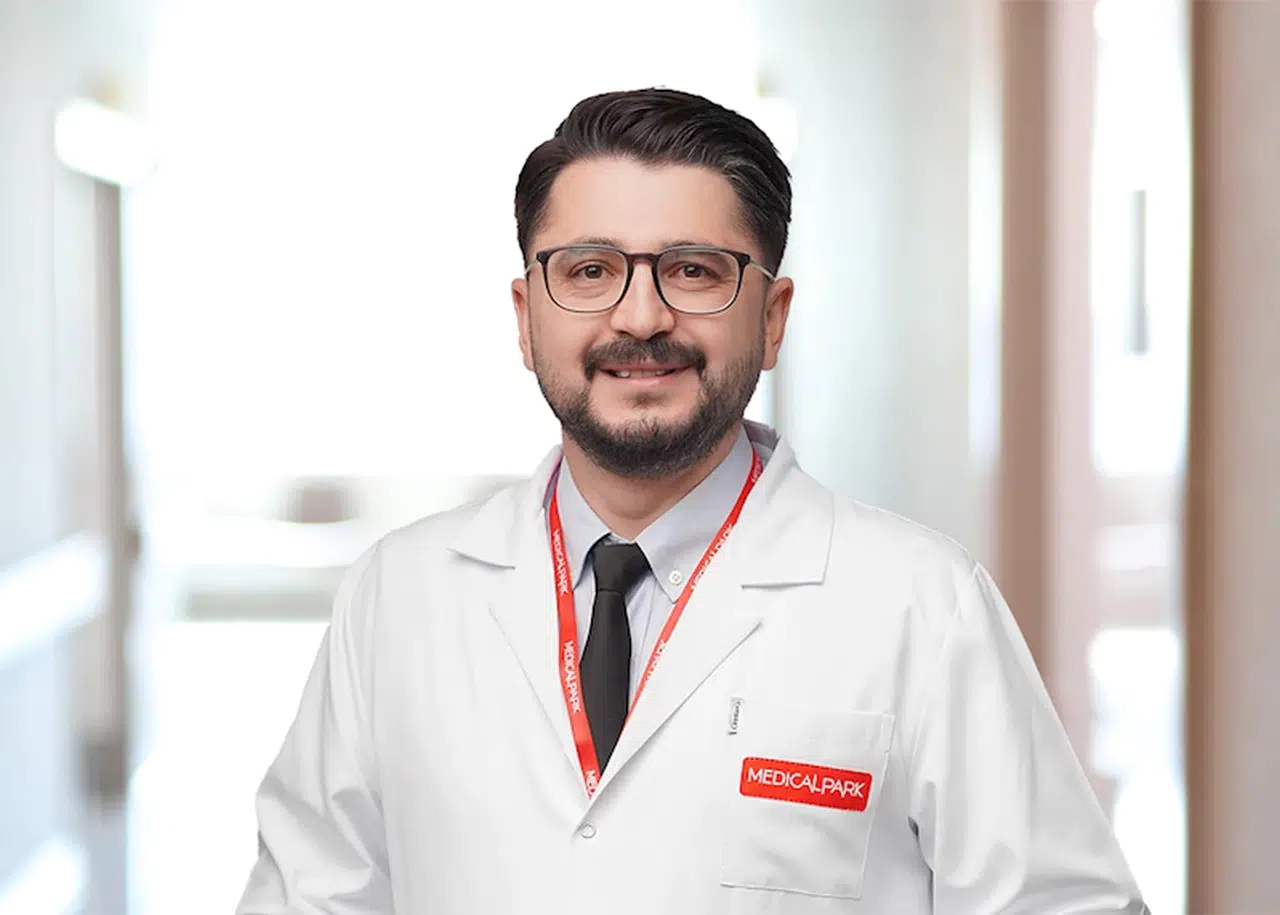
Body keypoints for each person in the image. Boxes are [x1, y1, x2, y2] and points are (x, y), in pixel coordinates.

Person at [237, 88, 1147, 914]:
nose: (640, 317)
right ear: (525, 317)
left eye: (695, 271)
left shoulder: (921, 605)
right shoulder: (399, 597)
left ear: (772, 317)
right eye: (589, 271)